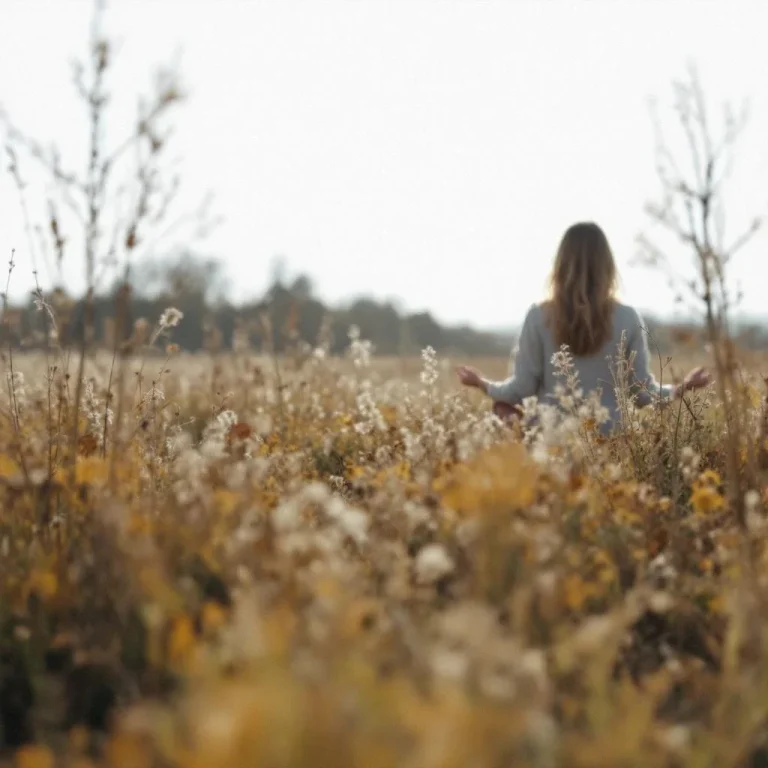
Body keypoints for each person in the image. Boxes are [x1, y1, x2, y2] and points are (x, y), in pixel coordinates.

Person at [456, 222, 712, 434]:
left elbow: (520, 391)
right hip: (611, 440)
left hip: (551, 441)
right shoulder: (627, 317)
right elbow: (643, 395)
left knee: (501, 409)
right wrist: (684, 387)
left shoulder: (538, 316)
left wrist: (482, 384)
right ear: (607, 265)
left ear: (560, 265)